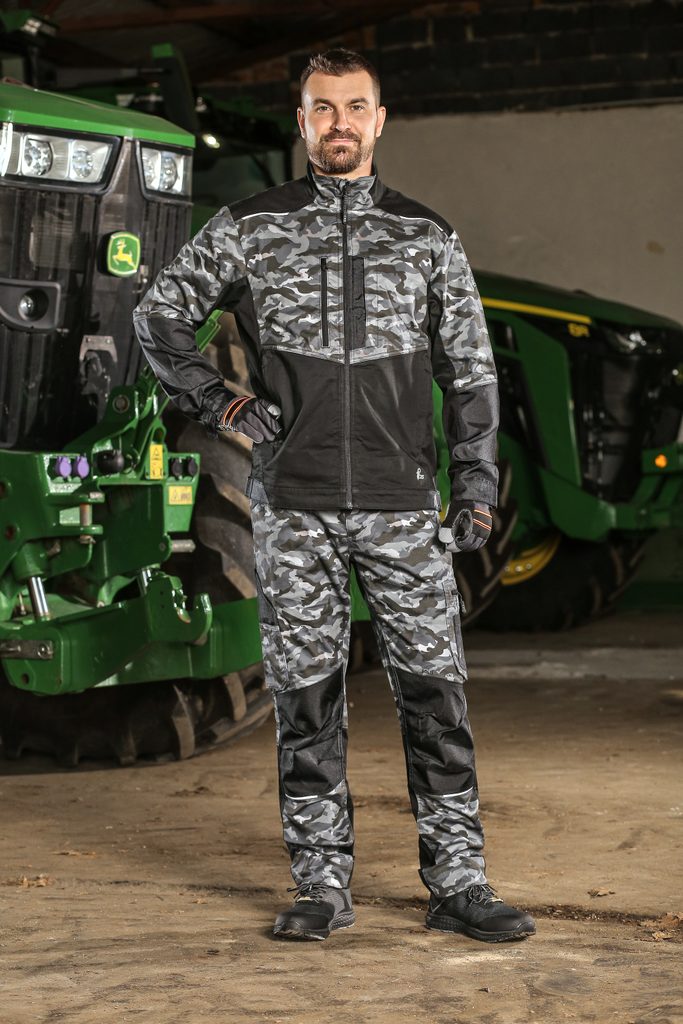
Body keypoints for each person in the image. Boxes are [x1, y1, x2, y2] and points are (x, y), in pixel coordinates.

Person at [133, 48, 535, 945]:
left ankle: (458, 883)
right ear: (302, 121)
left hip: (403, 508)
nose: (339, 123)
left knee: (435, 698)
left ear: (379, 120)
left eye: (354, 107)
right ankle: (320, 886)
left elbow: (471, 372)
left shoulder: (425, 236)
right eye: (322, 108)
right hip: (294, 507)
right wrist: (224, 401)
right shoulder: (250, 227)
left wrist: (474, 483)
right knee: (306, 699)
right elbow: (158, 315)